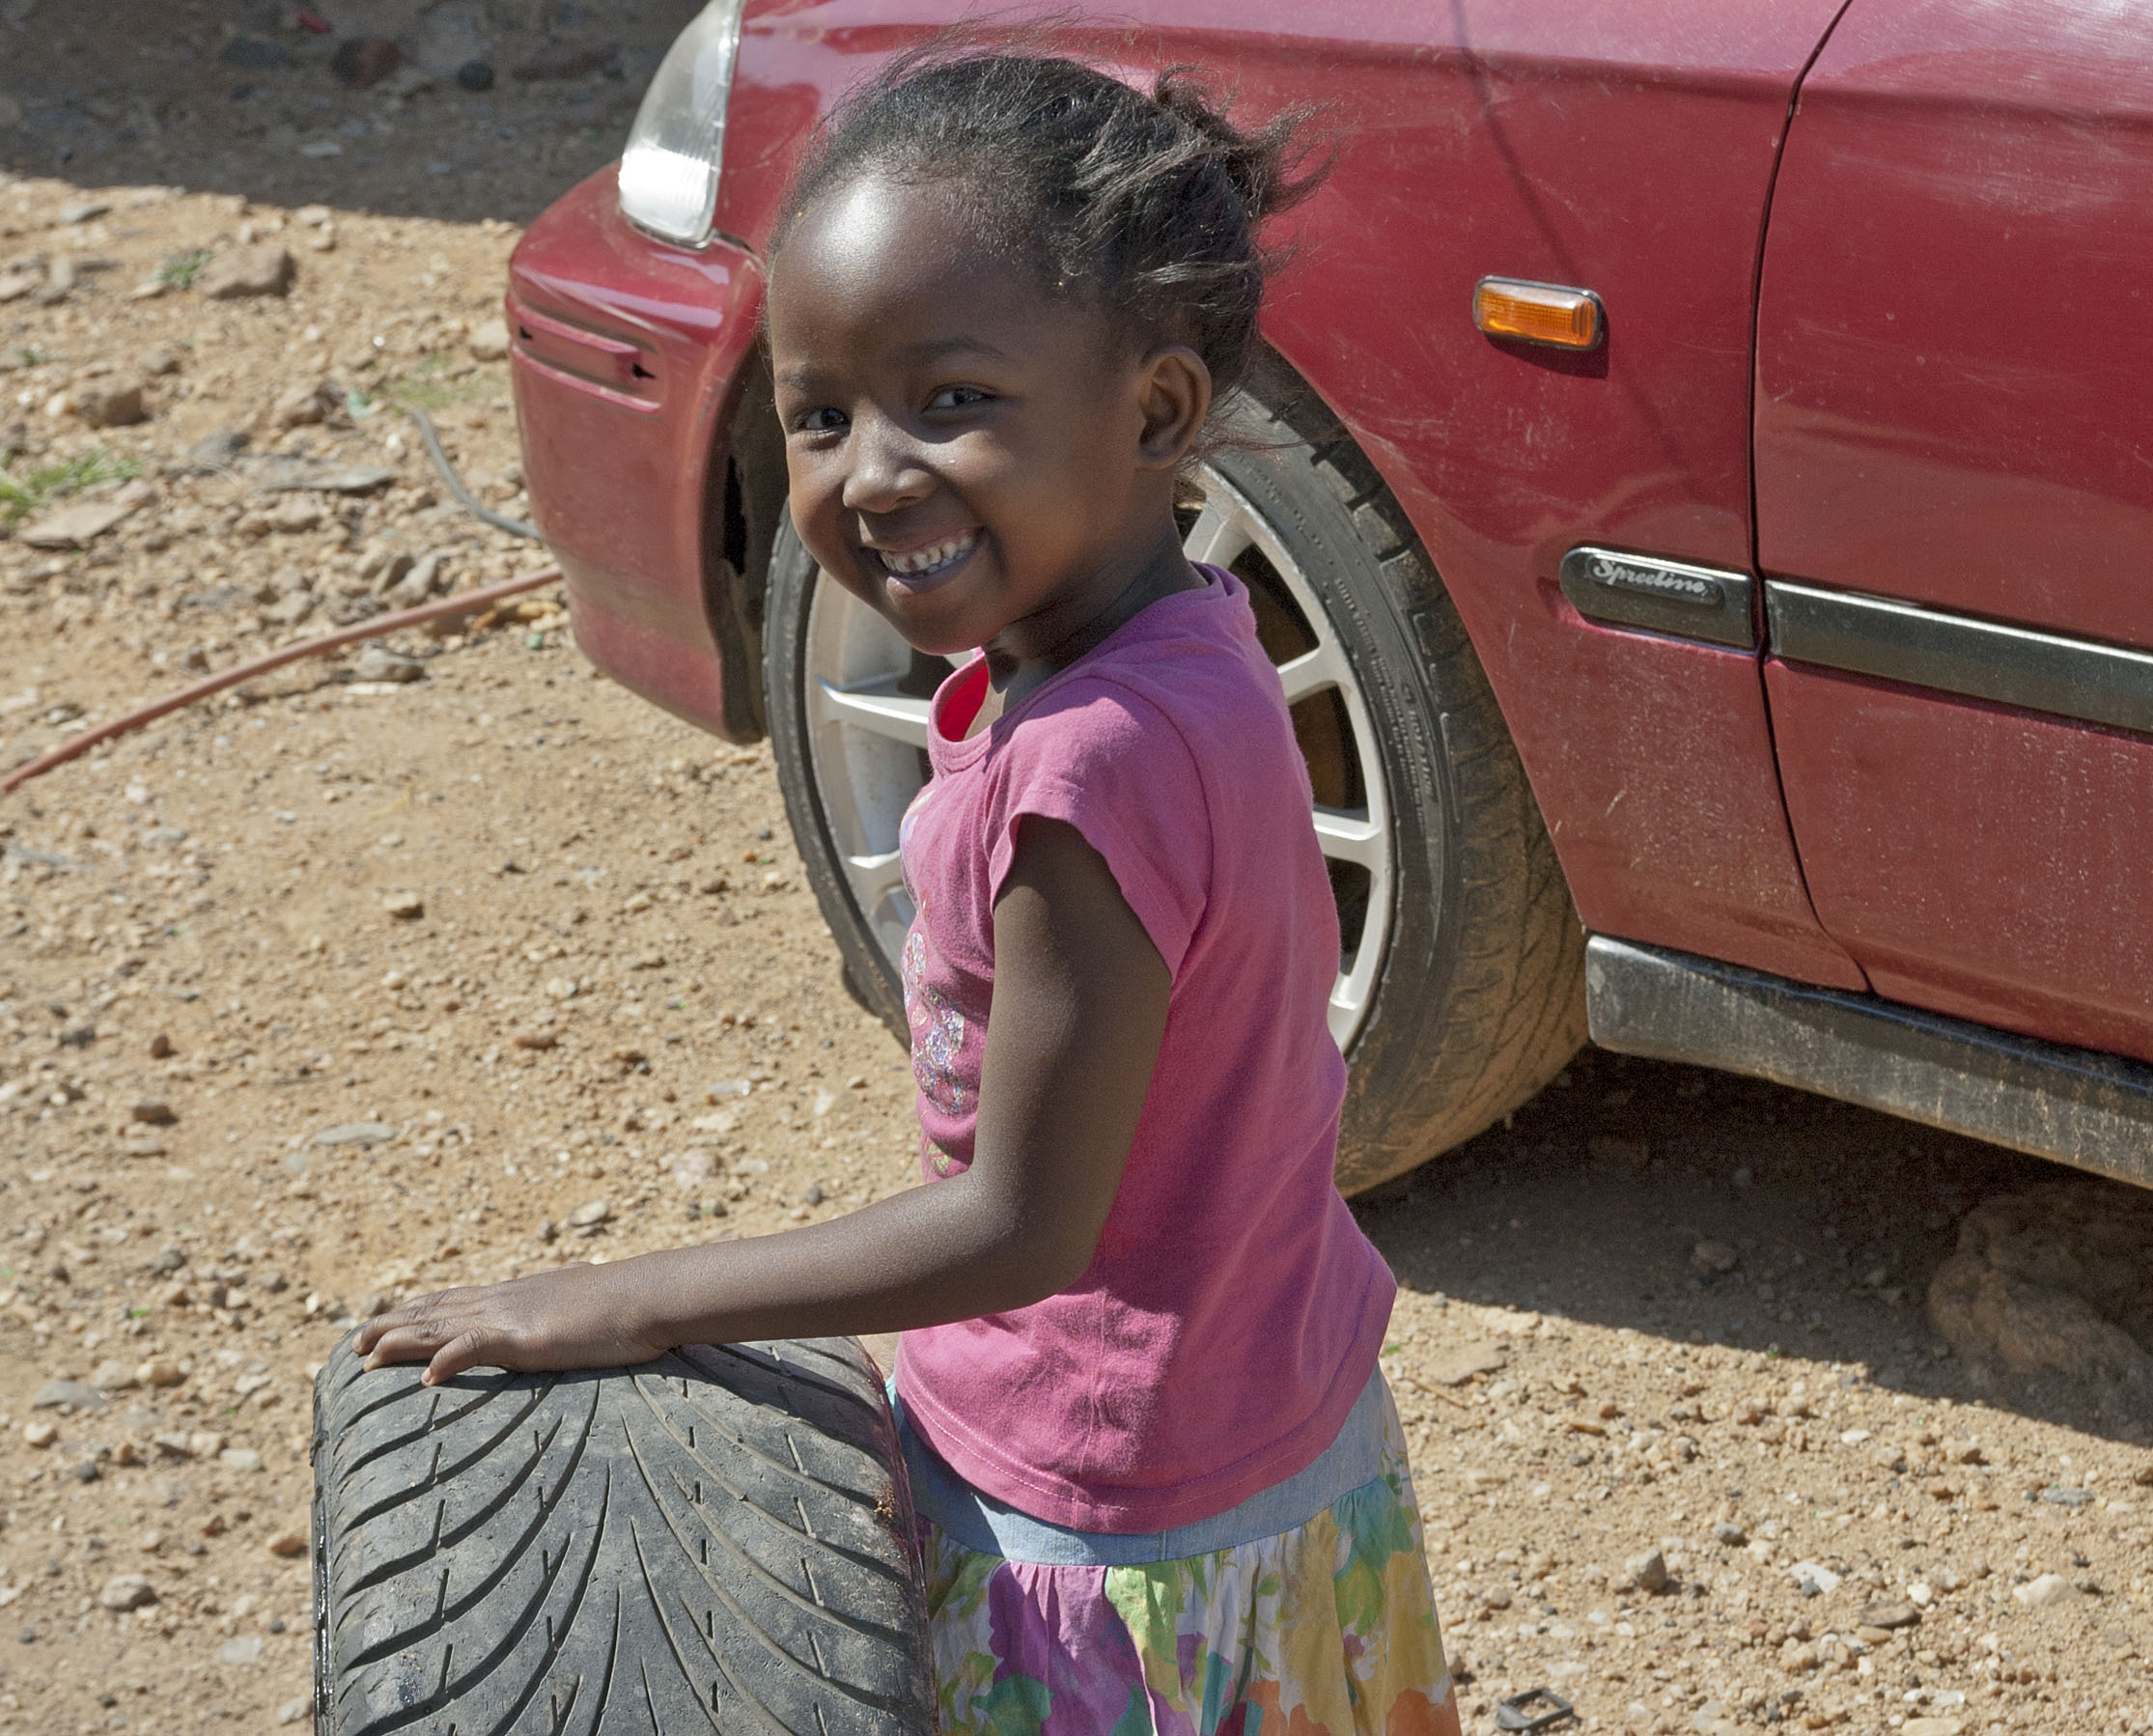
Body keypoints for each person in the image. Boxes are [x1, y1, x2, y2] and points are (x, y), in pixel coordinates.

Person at [355, 48, 1458, 1736]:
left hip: (1105, 1516)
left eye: (950, 402)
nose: (868, 472)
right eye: (820, 412)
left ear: (1153, 412)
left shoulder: (1089, 770)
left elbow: (1021, 1220)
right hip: (1273, 1414)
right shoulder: (1194, 645)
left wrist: (620, 1296)